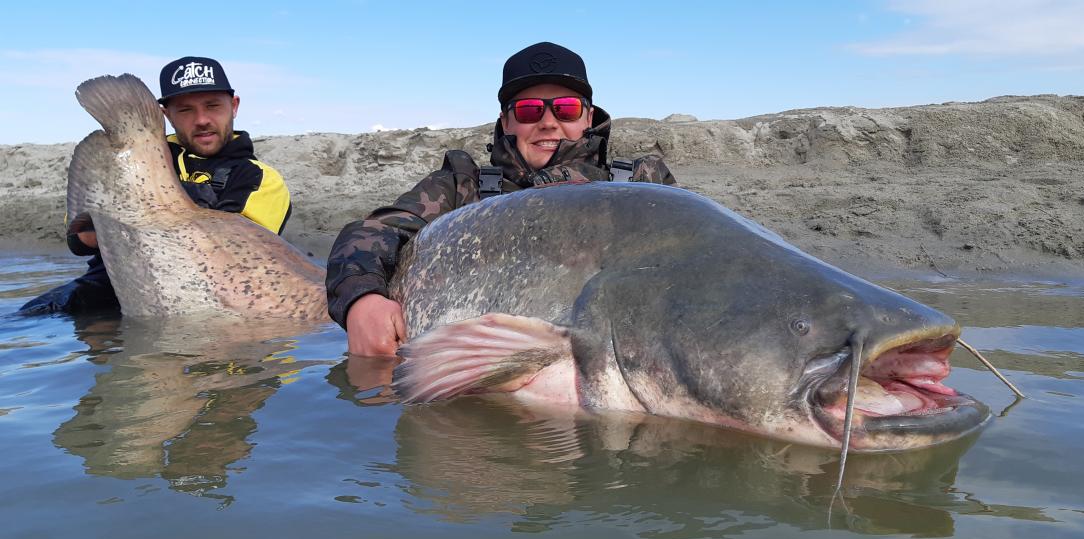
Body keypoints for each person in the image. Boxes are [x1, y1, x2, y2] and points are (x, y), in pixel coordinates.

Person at [326, 42, 676, 356]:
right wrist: (362, 299)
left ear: (588, 116)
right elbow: (372, 232)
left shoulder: (644, 182)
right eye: (529, 111)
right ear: (506, 121)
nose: (548, 123)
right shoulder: (461, 186)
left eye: (566, 109)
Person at [21, 56, 291, 315]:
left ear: (234, 106)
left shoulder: (260, 178)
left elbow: (238, 256)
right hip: (108, 281)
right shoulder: (133, 159)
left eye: (212, 106)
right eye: (185, 110)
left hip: (211, 296)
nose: (201, 120)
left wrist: (128, 218)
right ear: (166, 115)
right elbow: (80, 239)